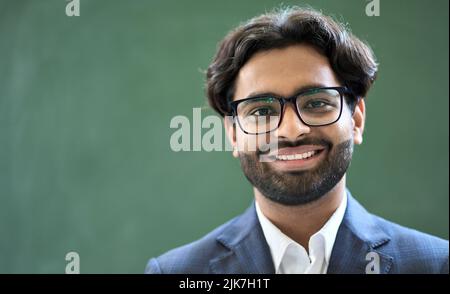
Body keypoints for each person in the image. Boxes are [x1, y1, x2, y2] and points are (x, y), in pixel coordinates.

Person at [146, 7, 449, 274]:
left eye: (316, 103)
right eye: (262, 110)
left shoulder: (435, 265)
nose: (290, 131)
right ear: (234, 134)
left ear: (356, 119)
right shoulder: (179, 272)